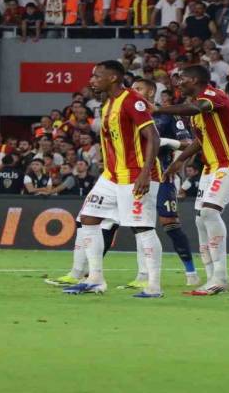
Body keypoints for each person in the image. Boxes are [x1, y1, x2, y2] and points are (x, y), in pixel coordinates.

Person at [62, 61, 164, 299]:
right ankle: (95, 279)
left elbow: (153, 136)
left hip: (136, 173)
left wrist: (146, 172)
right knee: (88, 218)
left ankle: (154, 286)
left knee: (142, 227)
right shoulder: (108, 103)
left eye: (97, 76)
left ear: (113, 78)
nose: (92, 80)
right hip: (111, 175)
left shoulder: (132, 100)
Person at [156, 64, 229, 296]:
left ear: (194, 80)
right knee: (201, 218)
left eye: (182, 79)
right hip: (212, 166)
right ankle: (212, 277)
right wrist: (180, 160)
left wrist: (159, 109)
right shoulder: (196, 109)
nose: (178, 83)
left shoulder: (212, 95)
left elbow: (195, 108)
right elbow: (200, 140)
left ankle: (220, 277)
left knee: (210, 212)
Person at [123, 78, 198, 289]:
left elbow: (188, 144)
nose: (134, 91)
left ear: (151, 92)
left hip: (164, 175)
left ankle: (191, 272)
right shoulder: (128, 113)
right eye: (132, 88)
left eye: (139, 88)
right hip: (136, 175)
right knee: (139, 224)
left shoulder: (168, 115)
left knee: (170, 224)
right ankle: (142, 276)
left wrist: (165, 144)